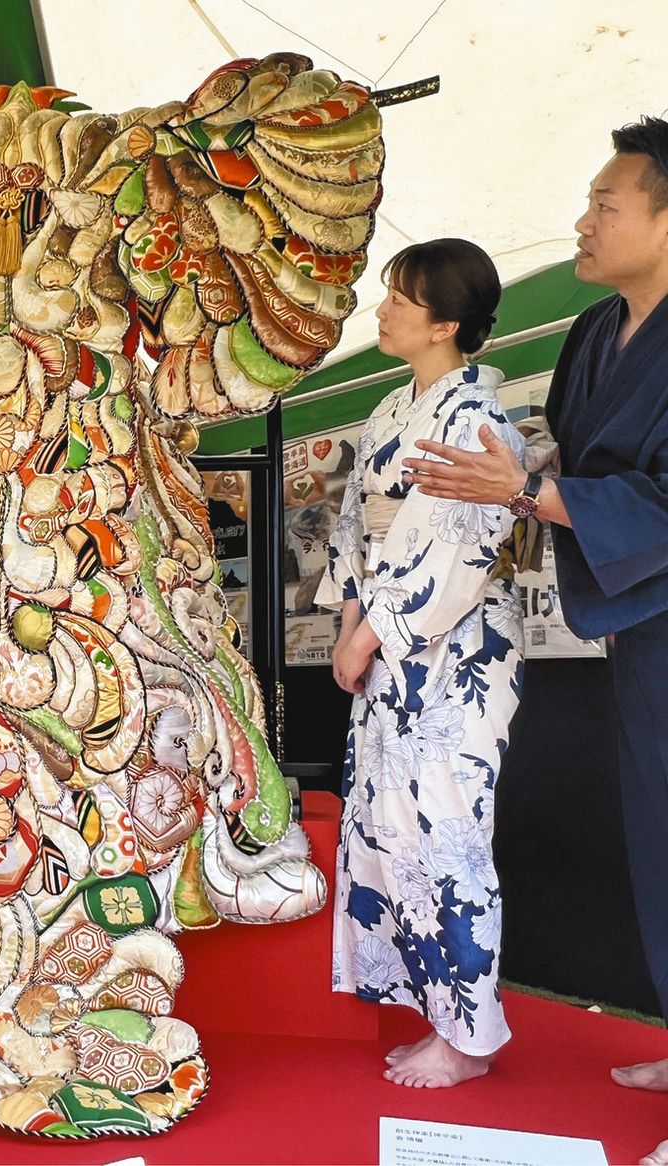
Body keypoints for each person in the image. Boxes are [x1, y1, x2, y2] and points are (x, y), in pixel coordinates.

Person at [399, 118, 668, 1158]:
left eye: (607, 203)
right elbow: (565, 460)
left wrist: (534, 490)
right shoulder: (597, 332)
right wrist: (517, 476)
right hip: (641, 628)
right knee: (654, 837)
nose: (582, 221)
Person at [316, 239, 526, 1088]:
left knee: (448, 833)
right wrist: (351, 616)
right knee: (393, 829)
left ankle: (471, 1038)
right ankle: (437, 1014)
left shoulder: (474, 417)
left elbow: (454, 546)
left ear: (444, 323)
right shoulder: (388, 413)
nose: (384, 310)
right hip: (390, 647)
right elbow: (357, 530)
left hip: (457, 653)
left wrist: (368, 633)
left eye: (401, 299)